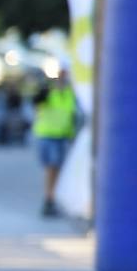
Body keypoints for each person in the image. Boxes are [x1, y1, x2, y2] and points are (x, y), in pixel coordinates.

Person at [31, 74, 81, 218]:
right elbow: (36, 102)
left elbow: (73, 116)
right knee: (51, 169)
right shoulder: (48, 94)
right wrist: (43, 89)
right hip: (46, 135)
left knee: (54, 168)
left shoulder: (70, 95)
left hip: (61, 136)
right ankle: (49, 198)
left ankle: (50, 198)